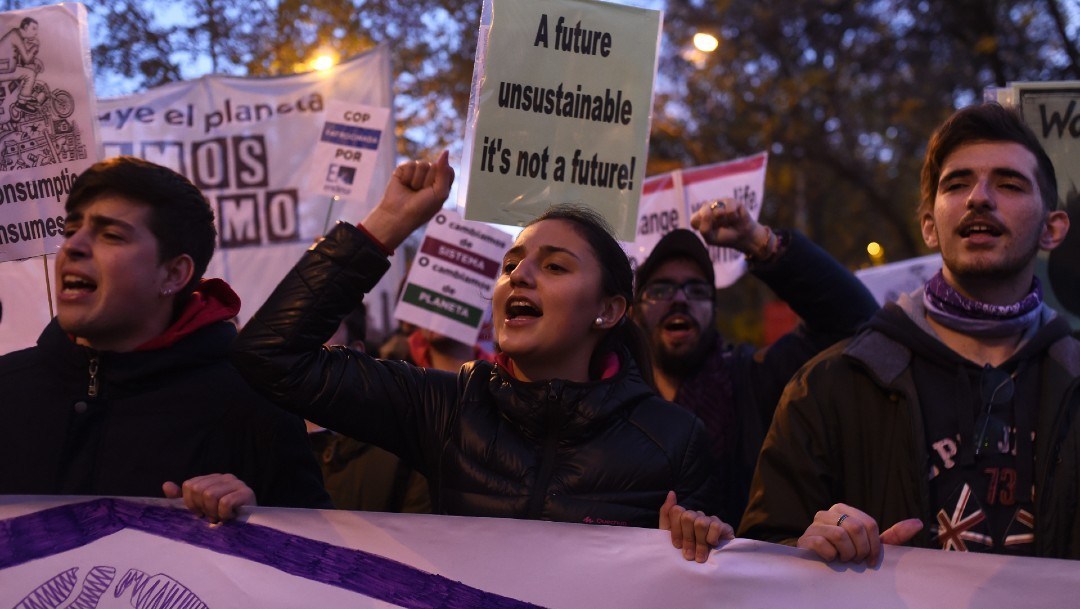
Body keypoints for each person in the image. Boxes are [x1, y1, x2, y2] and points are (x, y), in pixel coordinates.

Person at [233, 151, 732, 562]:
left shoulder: (675, 440)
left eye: (555, 266)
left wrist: (701, 540)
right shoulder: (447, 408)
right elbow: (271, 354)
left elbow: (702, 580)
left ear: (607, 310)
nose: (519, 275)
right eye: (511, 264)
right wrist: (387, 223)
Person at [739, 103, 1079, 563]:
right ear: (928, 226)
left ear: (1052, 229)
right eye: (957, 184)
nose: (979, 197)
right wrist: (808, 551)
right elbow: (759, 561)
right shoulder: (829, 386)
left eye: (1009, 183)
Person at [0, 156, 330, 521]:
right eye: (70, 231)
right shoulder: (8, 388)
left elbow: (320, 562)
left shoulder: (253, 406)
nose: (73, 247)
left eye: (111, 235)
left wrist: (257, 523)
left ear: (174, 273)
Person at [632, 205, 879, 526]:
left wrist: (760, 243)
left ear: (714, 311)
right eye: (661, 289)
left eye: (696, 290)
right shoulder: (616, 400)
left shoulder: (754, 381)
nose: (680, 299)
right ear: (635, 311)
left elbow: (854, 322)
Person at [310, 304, 432, 513]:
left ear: (354, 351)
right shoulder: (266, 433)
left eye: (322, 329)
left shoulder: (402, 445)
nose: (303, 340)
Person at [0, 17, 41, 114]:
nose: (36, 33)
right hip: (3, 70)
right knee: (30, 74)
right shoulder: (15, 36)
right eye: (34, 28)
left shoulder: (15, 34)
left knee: (26, 71)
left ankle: (24, 96)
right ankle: (21, 102)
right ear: (26, 27)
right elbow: (26, 59)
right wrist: (35, 47)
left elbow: (20, 58)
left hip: (6, 68)